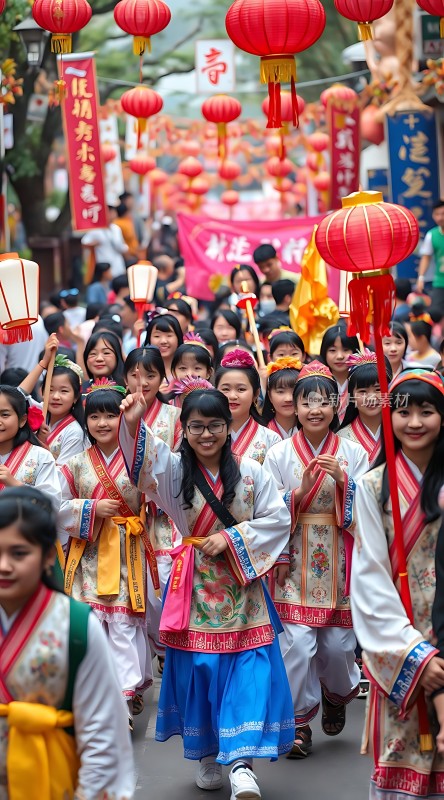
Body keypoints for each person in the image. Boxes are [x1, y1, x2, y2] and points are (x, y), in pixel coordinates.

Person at [119, 382, 294, 798]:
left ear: (228, 427)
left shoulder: (252, 473)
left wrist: (233, 539)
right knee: (201, 672)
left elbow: (277, 519)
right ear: (184, 429)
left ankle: (241, 765)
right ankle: (207, 754)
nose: (206, 434)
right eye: (196, 427)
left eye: (215, 425)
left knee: (249, 672)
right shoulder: (175, 472)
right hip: (193, 589)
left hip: (242, 591)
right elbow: (142, 464)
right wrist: (131, 424)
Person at [0, 485, 134, 799]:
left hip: (55, 783)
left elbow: (102, 733)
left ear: (49, 555)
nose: (4, 565)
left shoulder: (75, 625)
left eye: (19, 553)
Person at [264, 362, 368, 758]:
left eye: (324, 402)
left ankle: (337, 692)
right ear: (295, 405)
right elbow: (270, 513)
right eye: (306, 401)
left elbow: (370, 509)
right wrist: (299, 493)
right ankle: (299, 723)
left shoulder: (352, 453)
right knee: (297, 646)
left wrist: (345, 482)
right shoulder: (278, 454)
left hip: (339, 556)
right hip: (295, 558)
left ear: (336, 405)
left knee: (339, 647)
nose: (314, 410)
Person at [351, 368, 444, 799]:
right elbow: (368, 576)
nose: (415, 422)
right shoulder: (372, 487)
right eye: (404, 413)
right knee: (403, 748)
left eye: (427, 411)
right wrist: (413, 655)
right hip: (402, 636)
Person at [58, 382, 153, 731]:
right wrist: (90, 508)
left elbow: (159, 501)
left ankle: (124, 699)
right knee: (93, 625)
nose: (101, 423)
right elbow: (57, 507)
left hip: (129, 551)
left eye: (110, 415)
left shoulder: (140, 459)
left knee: (124, 626)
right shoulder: (74, 464)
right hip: (88, 554)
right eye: (94, 415)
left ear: (123, 417)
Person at [18, 346, 86, 465]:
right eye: (50, 390)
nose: (55, 396)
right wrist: (43, 363)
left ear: (75, 397)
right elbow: (18, 396)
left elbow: (63, 475)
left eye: (64, 391)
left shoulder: (74, 432)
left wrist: (43, 446)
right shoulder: (40, 411)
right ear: (42, 391)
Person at [0, 385, 61, 511]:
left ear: (22, 420)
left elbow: (52, 505)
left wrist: (14, 484)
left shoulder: (41, 456)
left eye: (5, 415)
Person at [215, 349, 280, 462]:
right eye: (225, 389)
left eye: (241, 389)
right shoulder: (207, 435)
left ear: (256, 393)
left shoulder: (271, 439)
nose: (232, 396)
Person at [338, 349, 392, 468]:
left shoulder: (398, 430)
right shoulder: (341, 438)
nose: (371, 398)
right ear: (352, 395)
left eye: (378, 389)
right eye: (362, 391)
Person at [320, 324, 360, 423]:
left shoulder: (362, 381)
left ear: (355, 351)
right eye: (332, 350)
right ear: (324, 352)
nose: (339, 356)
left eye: (345, 350)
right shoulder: (317, 381)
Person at [81, 205, 129, 279]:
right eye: (111, 212)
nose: (114, 214)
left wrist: (125, 248)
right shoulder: (96, 229)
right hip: (104, 266)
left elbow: (121, 246)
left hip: (118, 265)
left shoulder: (116, 229)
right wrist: (93, 244)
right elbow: (84, 242)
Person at [262, 356, 301, 439]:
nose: (288, 399)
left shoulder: (312, 432)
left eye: (294, 392)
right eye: (280, 392)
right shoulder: (261, 433)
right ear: (270, 395)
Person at [416, 199, 444, 313]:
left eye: (443, 214)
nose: (440, 218)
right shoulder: (432, 235)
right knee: (435, 313)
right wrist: (421, 278)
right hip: (439, 281)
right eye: (437, 214)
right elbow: (426, 257)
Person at [144, 314, 183, 387]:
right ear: (149, 339)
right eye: (157, 336)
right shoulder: (142, 367)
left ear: (178, 338)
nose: (163, 341)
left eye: (169, 335)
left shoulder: (187, 368)